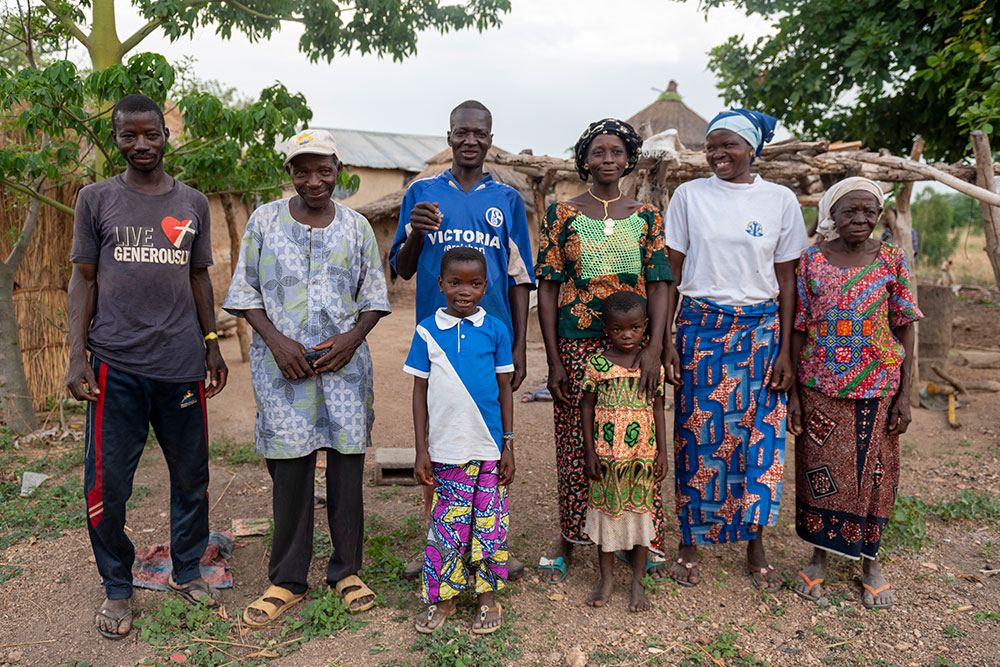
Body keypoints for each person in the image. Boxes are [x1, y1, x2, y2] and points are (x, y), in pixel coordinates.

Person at [67, 94, 228, 640]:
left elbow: (199, 277)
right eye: (128, 135)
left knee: (191, 477)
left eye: (150, 135)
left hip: (181, 366)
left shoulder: (192, 204)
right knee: (107, 485)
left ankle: (187, 569)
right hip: (115, 366)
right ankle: (117, 586)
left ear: (165, 135)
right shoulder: (95, 200)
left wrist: (211, 343)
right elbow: (83, 280)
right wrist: (75, 356)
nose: (141, 145)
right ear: (115, 138)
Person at [223, 129, 391, 625]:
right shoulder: (264, 221)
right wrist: (276, 342)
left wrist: (351, 340)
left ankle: (345, 571)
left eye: (323, 170)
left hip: (345, 368)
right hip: (283, 369)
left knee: (345, 468)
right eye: (302, 170)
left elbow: (374, 296)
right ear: (290, 174)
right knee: (291, 472)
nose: (314, 180)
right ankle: (288, 579)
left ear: (339, 169)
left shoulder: (358, 227)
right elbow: (244, 290)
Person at [663, 108, 809, 591]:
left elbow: (788, 281)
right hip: (701, 329)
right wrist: (664, 338)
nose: (718, 154)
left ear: (753, 149)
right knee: (697, 439)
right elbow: (672, 271)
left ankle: (755, 542)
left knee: (760, 444)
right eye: (712, 146)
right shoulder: (689, 196)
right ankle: (691, 539)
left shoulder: (780, 200)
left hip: (762, 333)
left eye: (729, 145)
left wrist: (787, 350)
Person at [389, 100, 534, 581]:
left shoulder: (507, 199)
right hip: (438, 341)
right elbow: (403, 268)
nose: (471, 140)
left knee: (490, 441)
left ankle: (490, 550)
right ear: (448, 135)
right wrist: (415, 231)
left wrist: (517, 344)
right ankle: (439, 548)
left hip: (490, 342)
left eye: (480, 133)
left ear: (490, 138)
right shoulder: (422, 192)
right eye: (462, 132)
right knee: (439, 439)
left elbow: (518, 278)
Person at [536, 118, 673, 583]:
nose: (608, 160)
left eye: (616, 152)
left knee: (640, 439)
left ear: (629, 158)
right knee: (577, 443)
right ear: (585, 160)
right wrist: (554, 360)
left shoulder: (648, 217)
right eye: (598, 152)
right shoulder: (562, 214)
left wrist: (654, 347)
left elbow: (659, 284)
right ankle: (573, 537)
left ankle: (641, 538)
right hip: (577, 346)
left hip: (635, 349)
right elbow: (549, 286)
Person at [789, 177, 921, 610]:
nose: (861, 219)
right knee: (820, 474)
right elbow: (799, 325)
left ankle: (870, 563)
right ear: (832, 214)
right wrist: (792, 393)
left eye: (870, 211)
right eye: (850, 211)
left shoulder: (891, 259)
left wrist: (904, 393)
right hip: (820, 387)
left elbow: (904, 322)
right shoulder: (810, 262)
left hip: (879, 387)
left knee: (876, 475)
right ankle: (819, 556)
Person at [404, 247, 515, 634]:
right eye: (455, 282)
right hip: (446, 450)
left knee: (489, 526)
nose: (464, 291)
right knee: (447, 528)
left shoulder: (497, 330)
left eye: (474, 283)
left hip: (489, 446)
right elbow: (419, 393)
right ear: (440, 284)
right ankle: (444, 600)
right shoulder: (426, 330)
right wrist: (422, 449)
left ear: (486, 286)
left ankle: (487, 599)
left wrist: (509, 444)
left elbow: (505, 389)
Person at [581, 291, 668, 612]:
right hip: (606, 459)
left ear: (645, 326)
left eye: (634, 328)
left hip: (641, 459)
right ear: (606, 329)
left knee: (640, 518)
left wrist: (662, 453)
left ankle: (636, 582)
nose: (627, 335)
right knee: (606, 519)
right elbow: (586, 408)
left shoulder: (650, 364)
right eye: (618, 329)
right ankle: (605, 580)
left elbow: (658, 407)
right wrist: (589, 452)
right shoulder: (598, 365)